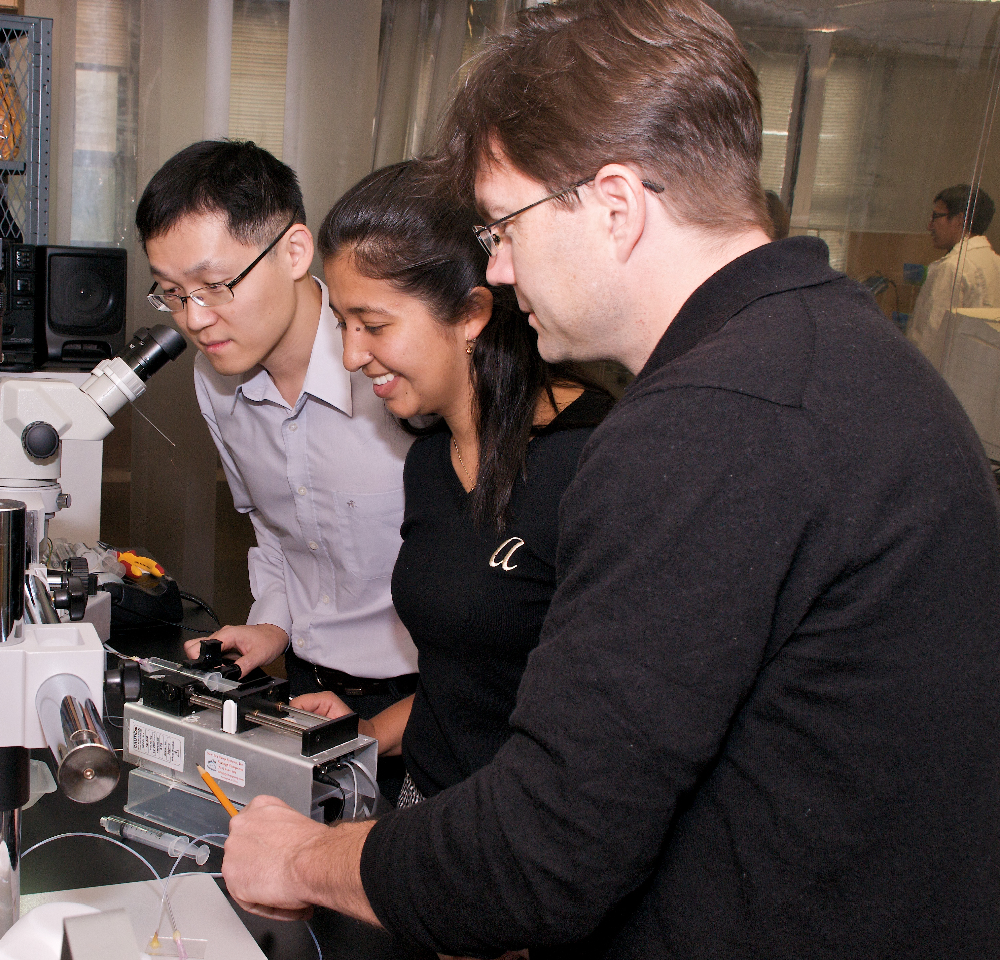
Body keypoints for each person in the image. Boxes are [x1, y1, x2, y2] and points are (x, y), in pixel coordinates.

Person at [219, 3, 1000, 958]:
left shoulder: (704, 424)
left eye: (504, 224)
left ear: (617, 205)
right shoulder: (844, 357)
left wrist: (302, 859)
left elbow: (539, 853)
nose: (498, 269)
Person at [293, 161, 614, 806]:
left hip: (514, 832)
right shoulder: (430, 464)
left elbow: (597, 739)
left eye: (374, 326)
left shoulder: (593, 462)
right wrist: (366, 733)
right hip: (424, 805)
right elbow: (462, 682)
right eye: (344, 325)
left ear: (471, 313)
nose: (353, 356)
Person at [134, 140, 418, 802]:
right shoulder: (217, 380)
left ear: (293, 252)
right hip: (312, 684)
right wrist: (273, 625)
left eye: (216, 286)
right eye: (173, 295)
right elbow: (278, 531)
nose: (196, 320)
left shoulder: (394, 371)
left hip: (425, 697)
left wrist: (388, 725)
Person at [906, 183, 1000, 368]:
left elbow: (929, 341)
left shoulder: (952, 268)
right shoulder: (995, 262)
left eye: (936, 216)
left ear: (960, 220)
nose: (929, 226)